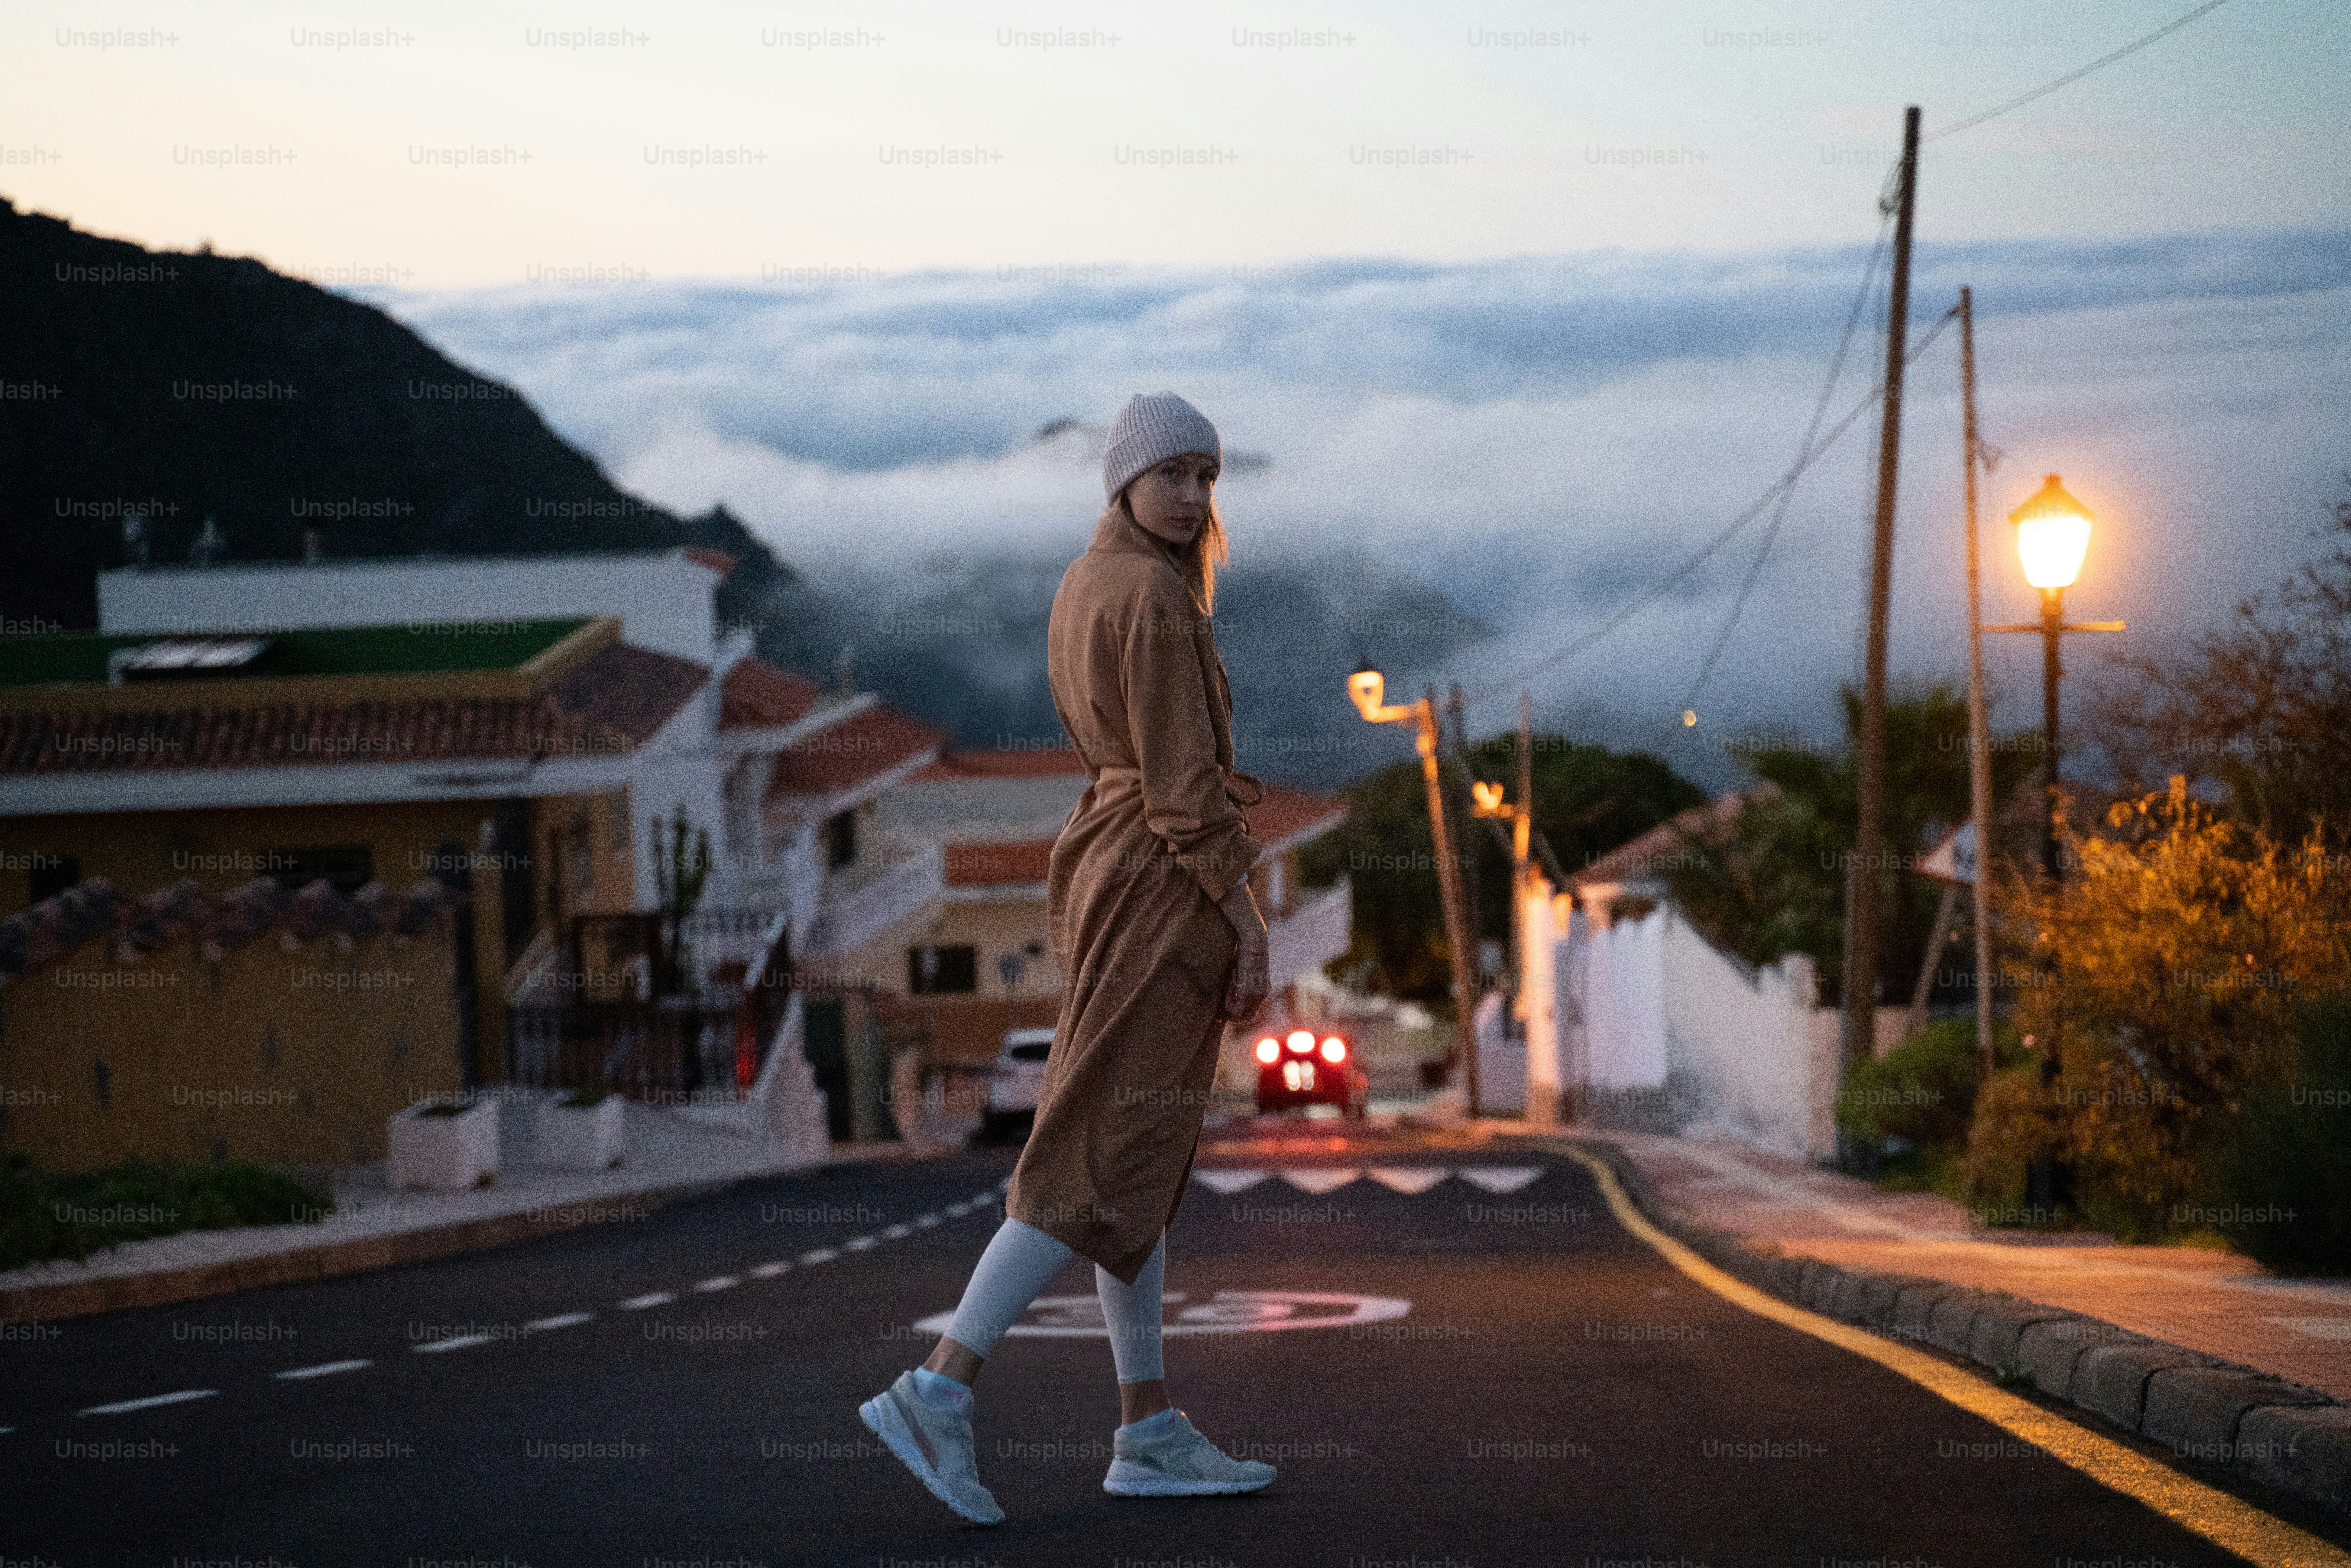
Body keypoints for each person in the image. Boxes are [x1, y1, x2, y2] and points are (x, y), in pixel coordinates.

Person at [859, 392, 1278, 1525]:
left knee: (1127, 1163)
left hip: (1110, 862)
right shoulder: (1149, 595)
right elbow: (1188, 793)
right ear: (1124, 482)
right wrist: (1246, 918)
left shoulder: (1090, 580)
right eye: (1173, 475)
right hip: (1159, 880)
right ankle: (938, 1390)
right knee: (1096, 1151)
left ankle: (1146, 1428)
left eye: (1207, 477)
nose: (1193, 496)